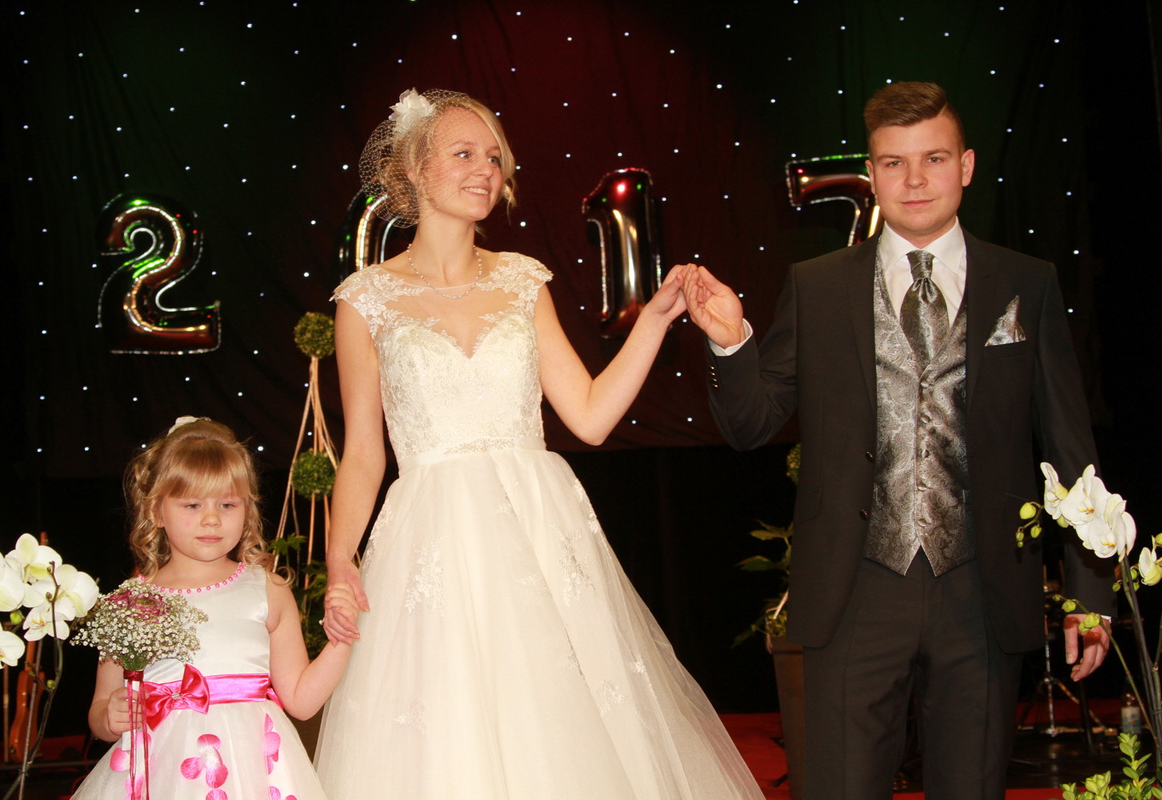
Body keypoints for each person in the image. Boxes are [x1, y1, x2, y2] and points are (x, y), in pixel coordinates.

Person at [315, 88, 763, 799]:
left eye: (495, 158)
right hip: (433, 538)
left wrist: (654, 320)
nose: (485, 170)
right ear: (416, 169)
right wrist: (341, 561)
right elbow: (365, 452)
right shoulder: (365, 299)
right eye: (464, 153)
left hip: (538, 526)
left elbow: (588, 415)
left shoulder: (523, 279)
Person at [682, 81, 1113, 800]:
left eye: (933, 159)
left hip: (982, 592)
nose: (914, 180)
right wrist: (731, 344)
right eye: (893, 163)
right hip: (854, 591)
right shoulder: (817, 287)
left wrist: (1089, 589)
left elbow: (1070, 446)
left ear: (966, 166)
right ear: (873, 173)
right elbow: (751, 423)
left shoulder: (1026, 283)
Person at [72, 416, 359, 800]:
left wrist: (341, 640)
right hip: (160, 774)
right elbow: (100, 709)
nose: (211, 519)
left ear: (247, 510)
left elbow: (302, 701)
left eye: (227, 504)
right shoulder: (132, 601)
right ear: (156, 511)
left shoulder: (267, 590)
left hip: (253, 773)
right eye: (192, 505)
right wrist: (109, 717)